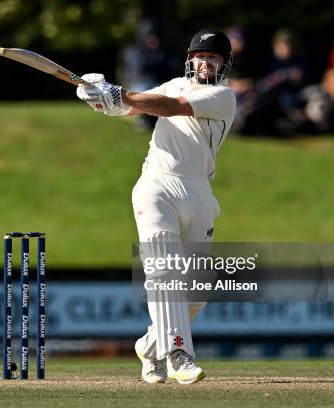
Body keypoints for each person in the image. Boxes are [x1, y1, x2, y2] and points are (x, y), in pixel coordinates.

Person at [76, 28, 235, 384]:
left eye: (214, 57)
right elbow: (130, 105)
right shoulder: (172, 84)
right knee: (164, 269)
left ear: (223, 64)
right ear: (190, 59)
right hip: (156, 185)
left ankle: (149, 346)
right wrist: (98, 96)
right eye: (201, 56)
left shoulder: (223, 96)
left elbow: (170, 108)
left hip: (199, 192)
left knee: (197, 293)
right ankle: (179, 353)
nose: (206, 62)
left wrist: (121, 93)